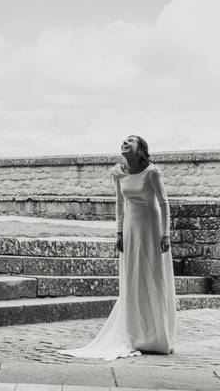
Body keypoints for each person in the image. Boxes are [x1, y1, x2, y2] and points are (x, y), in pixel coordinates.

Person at [59, 134, 176, 359]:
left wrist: (166, 234)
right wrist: (119, 231)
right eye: (124, 139)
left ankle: (157, 335)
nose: (125, 142)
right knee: (132, 278)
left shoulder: (152, 172)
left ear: (140, 150)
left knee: (153, 277)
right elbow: (120, 203)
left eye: (131, 140)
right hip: (131, 228)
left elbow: (164, 203)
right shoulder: (118, 173)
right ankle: (135, 334)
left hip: (151, 226)